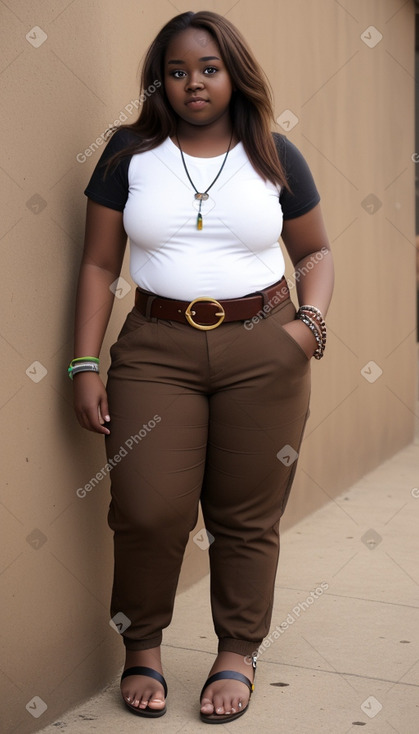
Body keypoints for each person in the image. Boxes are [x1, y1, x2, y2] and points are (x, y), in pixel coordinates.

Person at [71, 9, 334, 724]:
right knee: (148, 509)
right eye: (177, 71)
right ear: (159, 81)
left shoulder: (274, 155)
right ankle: (143, 647)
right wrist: (84, 363)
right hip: (156, 350)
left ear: (233, 75)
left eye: (208, 69)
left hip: (264, 345)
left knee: (246, 516)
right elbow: (98, 264)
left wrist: (307, 328)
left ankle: (236, 652)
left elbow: (313, 252)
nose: (193, 83)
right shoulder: (128, 153)